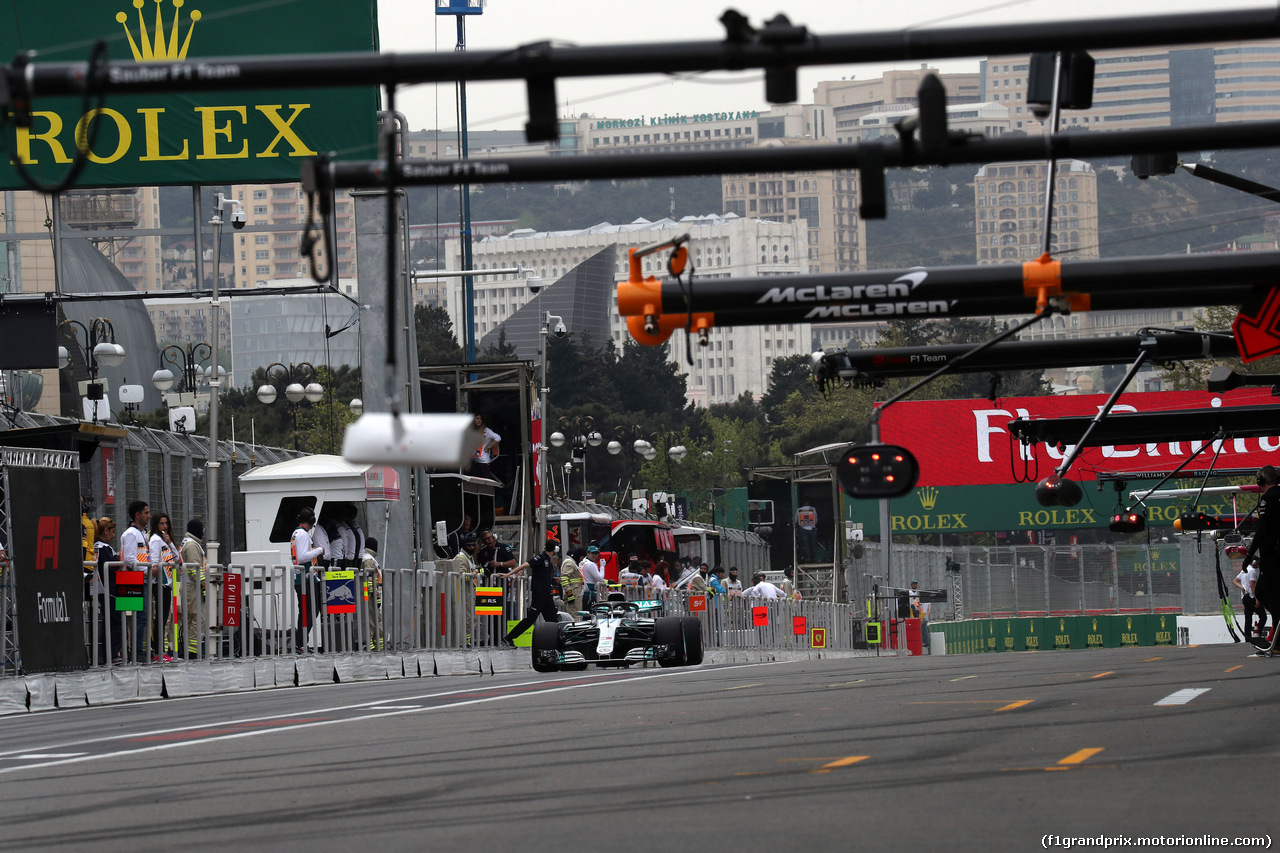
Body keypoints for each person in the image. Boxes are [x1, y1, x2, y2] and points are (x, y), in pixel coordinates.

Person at [500, 538, 562, 645]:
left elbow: (544, 576)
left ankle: (556, 643)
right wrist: (508, 575)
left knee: (553, 622)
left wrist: (554, 580)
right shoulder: (541, 558)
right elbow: (525, 565)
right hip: (539, 596)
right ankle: (508, 638)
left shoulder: (548, 561)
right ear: (555, 549)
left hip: (547, 596)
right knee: (530, 620)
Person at [1246, 465, 1280, 651]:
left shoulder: (1268, 498)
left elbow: (1262, 530)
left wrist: (1250, 554)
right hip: (1274, 555)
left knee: (1266, 594)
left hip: (1273, 557)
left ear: (1261, 481)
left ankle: (1277, 640)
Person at [119, 500, 151, 659]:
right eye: (146, 513)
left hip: (139, 578)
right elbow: (130, 559)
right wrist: (147, 570)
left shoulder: (140, 533)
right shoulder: (131, 534)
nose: (149, 516)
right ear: (137, 515)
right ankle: (136, 652)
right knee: (140, 617)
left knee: (141, 617)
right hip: (133, 579)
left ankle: (137, 650)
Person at [291, 507, 325, 653]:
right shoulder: (303, 535)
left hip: (303, 578)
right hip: (305, 578)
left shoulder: (296, 533)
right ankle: (300, 643)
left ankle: (301, 643)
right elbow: (303, 556)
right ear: (311, 521)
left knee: (306, 611)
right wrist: (319, 550)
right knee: (311, 611)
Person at [148, 512, 179, 662]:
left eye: (166, 523)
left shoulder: (164, 540)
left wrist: (170, 542)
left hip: (167, 583)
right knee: (160, 617)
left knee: (164, 617)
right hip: (160, 583)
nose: (165, 527)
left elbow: (177, 558)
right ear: (156, 525)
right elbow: (154, 560)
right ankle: (158, 652)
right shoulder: (155, 540)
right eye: (161, 523)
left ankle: (161, 651)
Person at [93, 517, 121, 664]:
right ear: (106, 530)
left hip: (109, 589)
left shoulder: (100, 547)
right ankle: (112, 653)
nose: (114, 535)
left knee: (116, 620)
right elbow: (110, 565)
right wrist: (119, 557)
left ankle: (115, 652)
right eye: (112, 532)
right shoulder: (102, 548)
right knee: (114, 621)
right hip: (110, 590)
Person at [179, 518, 205, 659]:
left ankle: (190, 650)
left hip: (188, 586)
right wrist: (205, 586)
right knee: (197, 618)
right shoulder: (192, 545)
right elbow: (196, 570)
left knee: (191, 619)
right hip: (193, 587)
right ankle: (193, 652)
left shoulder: (187, 543)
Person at [1234, 559, 1266, 641]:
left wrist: (1241, 587)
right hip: (1251, 597)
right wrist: (1257, 598)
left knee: (1248, 618)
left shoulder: (1244, 570)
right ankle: (1257, 633)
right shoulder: (1252, 571)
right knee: (1263, 616)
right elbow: (1252, 585)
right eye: (1257, 562)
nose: (1258, 564)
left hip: (1244, 597)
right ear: (1254, 562)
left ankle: (1247, 638)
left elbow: (1235, 581)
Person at [361, 536, 383, 650]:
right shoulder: (368, 560)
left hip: (374, 594)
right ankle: (372, 645)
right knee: (372, 620)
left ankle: (379, 644)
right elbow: (369, 579)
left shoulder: (369, 558)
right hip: (371, 595)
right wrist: (374, 595)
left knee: (375, 619)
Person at [469, 414, 501, 480]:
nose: (479, 420)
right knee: (474, 482)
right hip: (473, 460)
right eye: (477, 418)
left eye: (480, 419)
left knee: (485, 482)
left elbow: (498, 438)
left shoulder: (487, 431)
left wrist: (488, 447)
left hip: (483, 461)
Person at [560, 547, 583, 613]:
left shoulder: (570, 563)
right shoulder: (570, 564)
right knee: (574, 615)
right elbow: (564, 579)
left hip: (574, 593)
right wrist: (570, 593)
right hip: (574, 593)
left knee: (575, 615)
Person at [580, 545, 603, 609]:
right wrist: (602, 566)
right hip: (590, 593)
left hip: (585, 591)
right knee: (591, 614)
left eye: (596, 553)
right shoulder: (590, 564)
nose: (595, 555)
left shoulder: (583, 562)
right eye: (593, 553)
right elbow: (600, 578)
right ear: (588, 553)